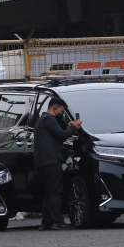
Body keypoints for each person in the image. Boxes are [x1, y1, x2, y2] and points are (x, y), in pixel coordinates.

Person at [34, 97, 82, 231]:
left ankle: (46, 222)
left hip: (43, 162)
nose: (62, 114)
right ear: (54, 109)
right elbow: (61, 135)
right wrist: (75, 128)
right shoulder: (49, 119)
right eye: (61, 111)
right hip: (51, 161)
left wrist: (67, 126)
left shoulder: (44, 120)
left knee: (49, 192)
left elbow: (57, 131)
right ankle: (57, 221)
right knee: (56, 191)